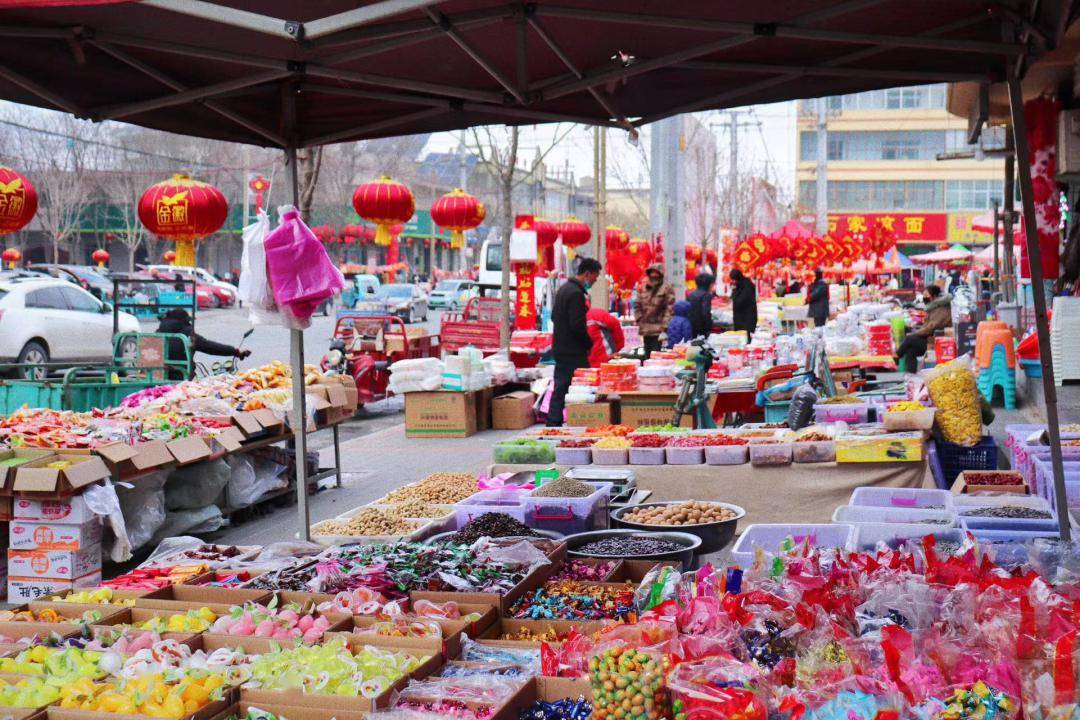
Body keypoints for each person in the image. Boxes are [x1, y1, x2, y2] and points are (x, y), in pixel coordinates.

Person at [547, 258, 601, 426]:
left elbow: (554, 317)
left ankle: (554, 421)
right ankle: (580, 421)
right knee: (581, 387)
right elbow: (577, 324)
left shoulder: (564, 289)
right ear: (587, 274)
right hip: (573, 350)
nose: (595, 280)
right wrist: (588, 343)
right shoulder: (576, 294)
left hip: (561, 347)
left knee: (561, 385)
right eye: (595, 276)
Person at [156, 308, 251, 379]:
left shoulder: (157, 334)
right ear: (185, 321)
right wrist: (235, 352)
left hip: (156, 375)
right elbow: (211, 347)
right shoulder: (188, 335)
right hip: (181, 376)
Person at [894, 285, 952, 372]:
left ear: (934, 296)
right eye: (923, 295)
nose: (924, 298)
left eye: (926, 295)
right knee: (911, 350)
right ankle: (911, 375)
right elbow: (927, 326)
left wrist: (916, 333)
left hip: (935, 341)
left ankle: (896, 356)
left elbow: (931, 327)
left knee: (910, 339)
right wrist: (917, 331)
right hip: (929, 338)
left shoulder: (942, 309)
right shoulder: (933, 307)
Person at [633, 264, 675, 357]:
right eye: (651, 275)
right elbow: (637, 305)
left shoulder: (667, 289)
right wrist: (639, 319)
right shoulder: (643, 288)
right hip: (645, 328)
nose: (654, 278)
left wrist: (665, 326)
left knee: (656, 356)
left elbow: (669, 309)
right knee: (647, 355)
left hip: (659, 329)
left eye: (656, 275)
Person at [729, 268, 757, 341]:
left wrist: (734, 291)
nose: (733, 281)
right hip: (741, 317)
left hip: (747, 317)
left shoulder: (747, 286)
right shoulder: (741, 284)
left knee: (745, 338)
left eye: (734, 279)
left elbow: (739, 301)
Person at [687, 273, 716, 338]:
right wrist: (709, 326)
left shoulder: (691, 294)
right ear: (708, 284)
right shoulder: (706, 295)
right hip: (702, 328)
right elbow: (705, 312)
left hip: (691, 326)